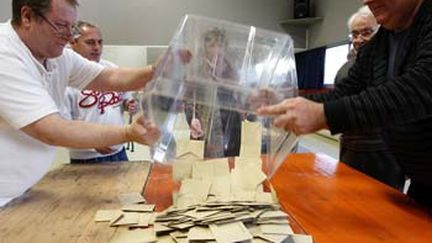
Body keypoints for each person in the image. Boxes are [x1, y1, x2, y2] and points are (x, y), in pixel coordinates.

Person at [0, 0, 190, 206]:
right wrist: (127, 133)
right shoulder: (5, 54)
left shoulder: (56, 55)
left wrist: (155, 70)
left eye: (71, 27)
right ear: (27, 17)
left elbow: (107, 78)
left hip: (21, 189)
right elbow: (50, 129)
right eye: (61, 26)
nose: (68, 36)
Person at [258, 0, 432, 207]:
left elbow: (419, 88)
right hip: (422, 181)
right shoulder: (380, 43)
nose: (367, 0)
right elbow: (343, 93)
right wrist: (285, 102)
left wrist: (325, 114)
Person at [334, 6, 405, 190]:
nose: (359, 40)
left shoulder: (396, 64)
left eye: (366, 33)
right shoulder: (345, 69)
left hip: (385, 155)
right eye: (355, 34)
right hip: (350, 150)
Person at [65, 20, 137, 163]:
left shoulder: (111, 69)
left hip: (119, 153)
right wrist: (92, 141)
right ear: (73, 43)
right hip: (87, 159)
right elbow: (63, 125)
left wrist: (129, 104)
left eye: (100, 42)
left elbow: (125, 99)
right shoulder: (66, 78)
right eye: (90, 42)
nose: (97, 47)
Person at [187, 28, 242, 158]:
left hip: (230, 128)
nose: (217, 49)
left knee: (230, 165)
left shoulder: (231, 70)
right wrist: (192, 118)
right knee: (206, 167)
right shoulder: (197, 70)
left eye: (221, 45)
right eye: (212, 45)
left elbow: (239, 98)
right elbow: (189, 100)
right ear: (204, 49)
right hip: (204, 127)